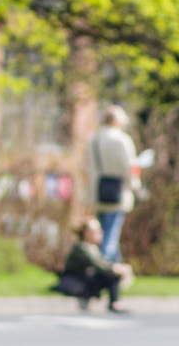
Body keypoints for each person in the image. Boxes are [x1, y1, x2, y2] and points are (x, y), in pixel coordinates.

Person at [87, 106, 140, 262]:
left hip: (98, 191)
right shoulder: (121, 140)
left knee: (104, 234)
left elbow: (90, 166)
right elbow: (130, 168)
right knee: (109, 237)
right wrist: (135, 186)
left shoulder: (94, 140)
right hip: (117, 193)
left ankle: (116, 276)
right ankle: (103, 273)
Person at [60, 217, 134, 312]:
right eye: (96, 231)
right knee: (112, 274)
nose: (100, 233)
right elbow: (98, 265)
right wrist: (117, 269)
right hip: (77, 282)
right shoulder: (81, 248)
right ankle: (114, 304)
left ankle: (115, 302)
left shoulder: (92, 247)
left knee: (112, 275)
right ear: (86, 232)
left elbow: (102, 263)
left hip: (86, 281)